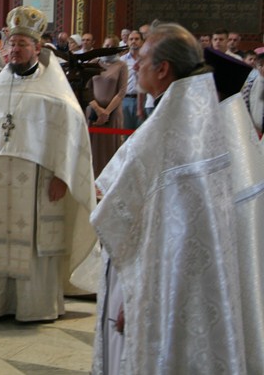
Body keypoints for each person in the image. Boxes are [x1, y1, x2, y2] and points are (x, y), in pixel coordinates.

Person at [90, 22, 244, 375]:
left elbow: (115, 215)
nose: (137, 65)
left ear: (163, 69)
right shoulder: (203, 116)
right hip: (193, 283)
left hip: (162, 283)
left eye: (143, 58)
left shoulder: (164, 133)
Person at [0, 5, 96, 322]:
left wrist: (63, 176)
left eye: (23, 44)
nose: (15, 49)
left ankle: (34, 307)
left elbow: (71, 133)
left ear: (38, 48)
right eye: (11, 43)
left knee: (34, 243)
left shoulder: (55, 94)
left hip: (38, 183)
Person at [85, 35, 128, 177]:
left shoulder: (121, 65)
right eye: (106, 45)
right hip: (93, 111)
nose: (108, 48)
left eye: (111, 46)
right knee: (93, 147)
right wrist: (97, 109)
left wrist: (106, 112)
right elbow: (87, 89)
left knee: (109, 147)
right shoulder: (93, 62)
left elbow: (121, 92)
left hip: (112, 112)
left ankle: (108, 179)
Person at [119, 30, 143, 130]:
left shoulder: (146, 58)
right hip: (125, 99)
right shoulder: (122, 60)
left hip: (143, 100)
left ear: (142, 41)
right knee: (126, 134)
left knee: (141, 133)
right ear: (127, 42)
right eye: (131, 39)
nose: (133, 41)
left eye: (137, 39)